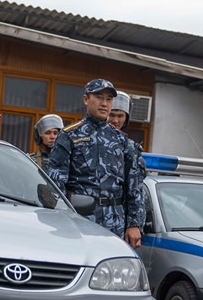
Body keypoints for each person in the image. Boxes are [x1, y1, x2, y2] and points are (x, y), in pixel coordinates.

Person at [47, 79, 144, 248]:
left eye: (109, 99)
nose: (104, 104)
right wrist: (60, 219)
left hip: (115, 222)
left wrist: (134, 224)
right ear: (86, 99)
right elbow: (56, 183)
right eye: (99, 97)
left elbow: (133, 185)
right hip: (80, 219)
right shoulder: (69, 135)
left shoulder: (121, 140)